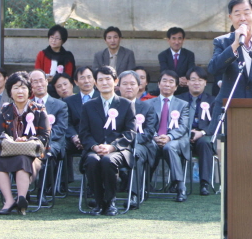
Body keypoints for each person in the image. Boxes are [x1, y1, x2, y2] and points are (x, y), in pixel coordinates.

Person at [80, 66, 137, 215]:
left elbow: (130, 133)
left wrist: (112, 147)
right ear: (95, 83)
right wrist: (94, 146)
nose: (104, 83)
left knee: (108, 161)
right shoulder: (88, 106)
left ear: (115, 81)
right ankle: (98, 203)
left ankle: (111, 202)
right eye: (100, 80)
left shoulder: (126, 105)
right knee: (92, 161)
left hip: (118, 151)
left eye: (108, 79)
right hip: (95, 149)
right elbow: (84, 133)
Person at [0, 72, 49, 215]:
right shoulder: (6, 110)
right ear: (10, 91)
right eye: (16, 88)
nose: (20, 91)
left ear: (29, 90)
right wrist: (12, 140)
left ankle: (22, 199)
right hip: (10, 150)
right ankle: (10, 200)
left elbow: (45, 136)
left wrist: (28, 140)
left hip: (32, 153)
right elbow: (0, 134)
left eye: (23, 88)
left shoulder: (39, 109)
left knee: (23, 159)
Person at [147, 70, 191, 201]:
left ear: (176, 87)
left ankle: (180, 186)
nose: (167, 84)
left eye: (171, 82)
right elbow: (146, 125)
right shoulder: (148, 103)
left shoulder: (183, 105)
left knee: (169, 147)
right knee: (150, 146)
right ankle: (144, 184)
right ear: (159, 84)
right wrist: (155, 136)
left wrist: (169, 137)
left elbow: (183, 127)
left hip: (175, 140)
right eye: (164, 81)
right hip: (154, 138)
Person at [116, 69, 158, 208]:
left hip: (140, 144)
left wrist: (128, 141)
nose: (129, 87)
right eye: (125, 84)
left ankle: (133, 194)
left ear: (139, 86)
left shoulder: (147, 107)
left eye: (132, 84)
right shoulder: (112, 106)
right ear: (118, 86)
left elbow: (148, 132)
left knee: (136, 153)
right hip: (115, 145)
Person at [28, 69, 70, 201]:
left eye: (41, 80)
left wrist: (42, 139)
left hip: (52, 142)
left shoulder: (60, 105)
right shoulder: (26, 105)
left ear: (47, 82)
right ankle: (24, 193)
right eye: (35, 82)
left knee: (47, 153)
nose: (39, 84)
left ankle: (43, 192)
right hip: (29, 142)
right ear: (30, 85)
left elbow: (60, 129)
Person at [179, 65, 218, 195]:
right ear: (187, 81)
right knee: (176, 144)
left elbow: (215, 123)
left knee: (205, 143)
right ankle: (176, 182)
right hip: (183, 136)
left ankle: (204, 183)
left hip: (203, 136)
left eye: (200, 80)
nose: (197, 83)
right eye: (193, 79)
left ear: (205, 82)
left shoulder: (213, 101)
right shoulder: (179, 99)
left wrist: (201, 133)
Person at [62, 66, 98, 190]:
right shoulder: (69, 101)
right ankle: (63, 183)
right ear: (76, 82)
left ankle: (94, 185)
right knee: (60, 146)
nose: (86, 81)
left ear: (94, 80)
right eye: (82, 78)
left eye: (89, 77)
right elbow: (67, 123)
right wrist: (74, 137)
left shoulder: (102, 97)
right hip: (75, 140)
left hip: (96, 139)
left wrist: (88, 139)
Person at [158, 27, 195, 94]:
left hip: (184, 88)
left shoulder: (189, 54)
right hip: (168, 88)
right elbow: (164, 71)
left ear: (183, 40)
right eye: (174, 38)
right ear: (168, 40)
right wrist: (177, 80)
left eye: (179, 38)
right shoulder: (163, 55)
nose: (177, 42)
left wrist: (185, 80)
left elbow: (191, 71)